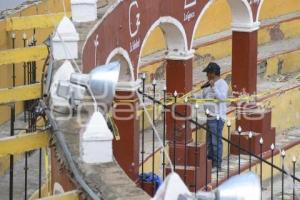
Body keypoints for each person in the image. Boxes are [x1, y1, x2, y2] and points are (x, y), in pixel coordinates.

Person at [195, 62, 229, 170]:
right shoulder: (208, 84)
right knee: (209, 142)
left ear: (214, 73)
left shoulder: (222, 84)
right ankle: (210, 162)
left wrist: (213, 87)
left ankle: (217, 165)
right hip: (209, 117)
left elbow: (222, 98)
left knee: (216, 142)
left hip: (217, 117)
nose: (207, 75)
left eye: (208, 73)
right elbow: (203, 97)